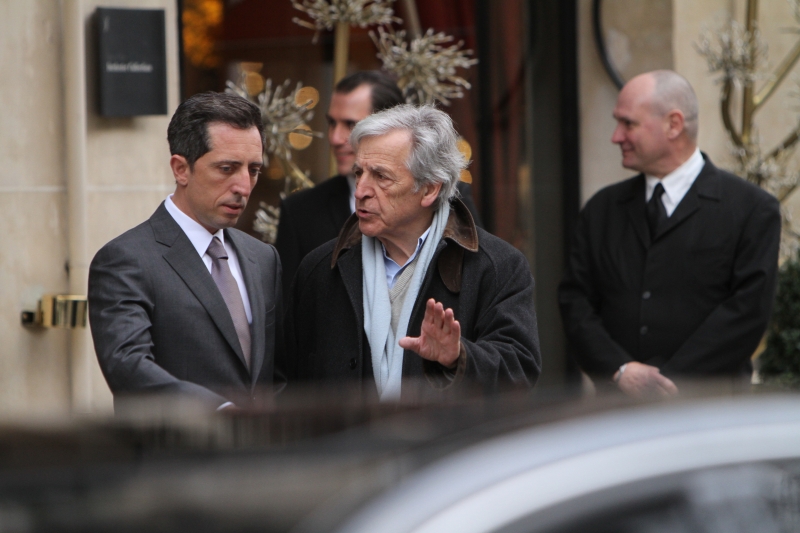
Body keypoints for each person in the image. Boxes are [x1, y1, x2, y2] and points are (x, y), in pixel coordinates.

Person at [285, 104, 540, 400]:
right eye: (359, 173)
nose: (361, 191)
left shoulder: (496, 267)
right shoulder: (319, 270)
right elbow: (290, 387)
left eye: (381, 177)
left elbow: (520, 373)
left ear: (430, 189)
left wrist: (458, 358)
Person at [558, 70, 781, 398]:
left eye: (628, 123)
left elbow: (748, 312)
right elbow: (575, 301)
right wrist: (619, 370)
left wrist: (671, 383)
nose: (616, 137)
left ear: (674, 125)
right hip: (617, 411)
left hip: (711, 410)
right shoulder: (602, 209)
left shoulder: (751, 209)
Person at [89, 92, 282, 409]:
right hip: (178, 441)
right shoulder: (126, 260)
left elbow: (277, 373)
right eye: (227, 168)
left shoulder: (263, 258)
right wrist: (219, 413)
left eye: (253, 170)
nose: (244, 186)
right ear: (181, 169)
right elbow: (128, 367)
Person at [275, 71, 481, 298]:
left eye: (350, 124)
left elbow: (476, 277)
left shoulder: (453, 199)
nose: (335, 138)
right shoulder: (300, 211)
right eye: (332, 123)